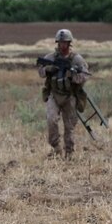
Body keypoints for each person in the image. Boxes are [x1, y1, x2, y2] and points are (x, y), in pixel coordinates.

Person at [38, 29, 90, 160]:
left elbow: (85, 75)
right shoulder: (50, 57)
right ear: (57, 42)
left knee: (69, 126)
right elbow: (40, 71)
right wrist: (48, 69)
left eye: (65, 42)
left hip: (69, 96)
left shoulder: (76, 59)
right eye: (60, 42)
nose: (62, 45)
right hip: (54, 95)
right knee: (51, 120)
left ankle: (69, 153)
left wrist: (73, 76)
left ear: (69, 43)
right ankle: (56, 148)